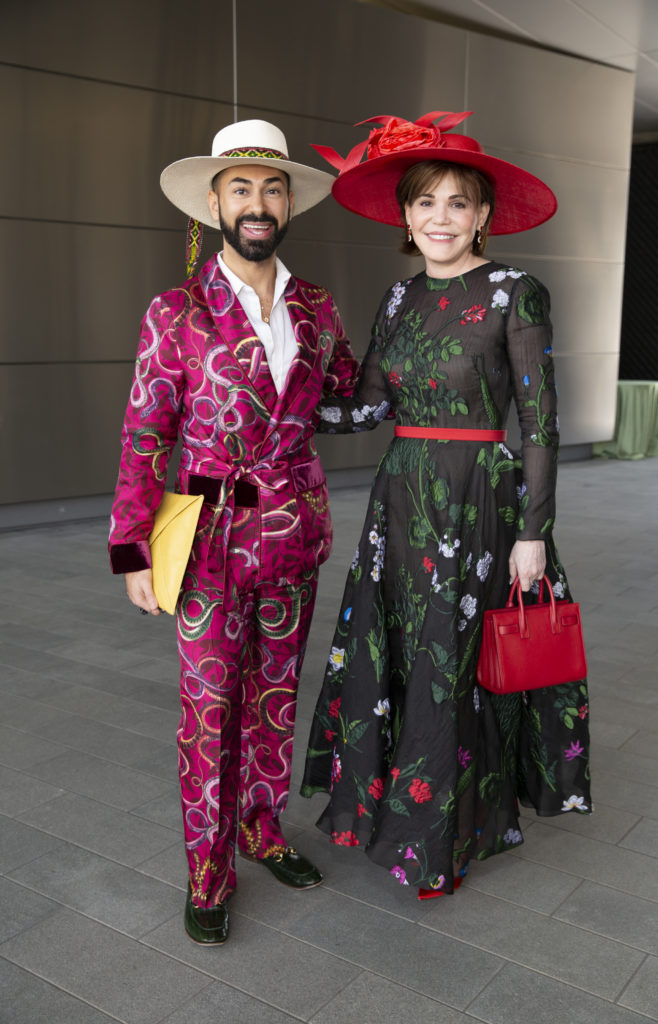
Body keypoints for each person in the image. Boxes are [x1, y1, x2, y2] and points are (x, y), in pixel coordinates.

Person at [301, 111, 592, 899]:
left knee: (450, 665)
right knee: (400, 651)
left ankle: (442, 838)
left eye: (457, 203)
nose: (440, 218)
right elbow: (365, 409)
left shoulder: (513, 293)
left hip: (477, 504)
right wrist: (275, 404)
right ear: (404, 215)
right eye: (425, 202)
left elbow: (540, 423)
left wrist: (534, 534)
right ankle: (389, 816)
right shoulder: (395, 299)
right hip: (399, 502)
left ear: (483, 216)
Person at [108, 119, 359, 943]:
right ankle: (207, 873)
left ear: (289, 203)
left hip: (292, 534)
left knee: (274, 699)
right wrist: (130, 549)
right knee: (208, 710)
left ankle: (260, 829)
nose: (258, 203)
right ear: (213, 203)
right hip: (207, 541)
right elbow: (145, 436)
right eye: (242, 188)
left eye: (272, 187)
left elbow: (349, 400)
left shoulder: (317, 308)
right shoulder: (174, 310)